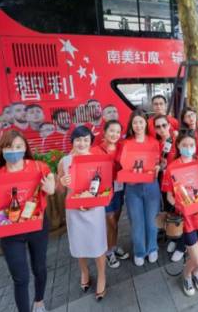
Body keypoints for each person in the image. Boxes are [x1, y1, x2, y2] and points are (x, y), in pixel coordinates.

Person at [0, 130, 56, 312]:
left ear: (25, 148)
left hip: (37, 227)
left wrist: (51, 186)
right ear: (2, 150)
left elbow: (50, 178)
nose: (14, 151)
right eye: (9, 147)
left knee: (39, 267)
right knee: (20, 277)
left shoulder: (37, 167)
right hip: (10, 233)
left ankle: (39, 300)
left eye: (19, 147)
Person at [58, 126, 108, 301]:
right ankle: (84, 271)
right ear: (72, 141)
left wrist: (93, 199)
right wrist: (62, 181)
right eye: (78, 139)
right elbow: (59, 189)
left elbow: (105, 187)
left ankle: (102, 275)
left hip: (94, 209)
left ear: (90, 142)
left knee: (98, 242)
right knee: (79, 243)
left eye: (86, 140)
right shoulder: (64, 161)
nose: (82, 143)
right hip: (73, 210)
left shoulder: (98, 160)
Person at [161, 132, 198, 296]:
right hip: (187, 218)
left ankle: (196, 272)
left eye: (191, 145)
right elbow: (169, 195)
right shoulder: (172, 167)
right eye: (185, 145)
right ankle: (187, 274)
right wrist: (180, 206)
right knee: (195, 258)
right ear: (178, 146)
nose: (188, 148)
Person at [119, 110, 162, 266]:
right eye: (135, 122)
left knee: (151, 220)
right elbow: (122, 164)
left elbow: (157, 162)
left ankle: (152, 248)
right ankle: (139, 250)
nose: (138, 125)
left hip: (151, 186)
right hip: (132, 188)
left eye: (141, 122)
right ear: (131, 124)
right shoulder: (126, 143)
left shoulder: (153, 142)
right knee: (136, 221)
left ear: (145, 123)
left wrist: (157, 167)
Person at [95, 119, 129, 268]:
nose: (114, 134)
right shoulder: (96, 149)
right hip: (104, 190)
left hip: (120, 186)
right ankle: (108, 252)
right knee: (110, 220)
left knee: (116, 218)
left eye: (117, 131)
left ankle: (113, 247)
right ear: (105, 132)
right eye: (111, 131)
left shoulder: (122, 147)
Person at [156, 113, 185, 262]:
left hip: (180, 182)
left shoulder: (178, 139)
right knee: (170, 210)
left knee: (181, 211)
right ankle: (174, 236)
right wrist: (161, 166)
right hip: (165, 181)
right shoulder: (157, 144)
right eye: (158, 127)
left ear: (169, 125)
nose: (161, 129)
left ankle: (182, 245)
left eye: (164, 125)